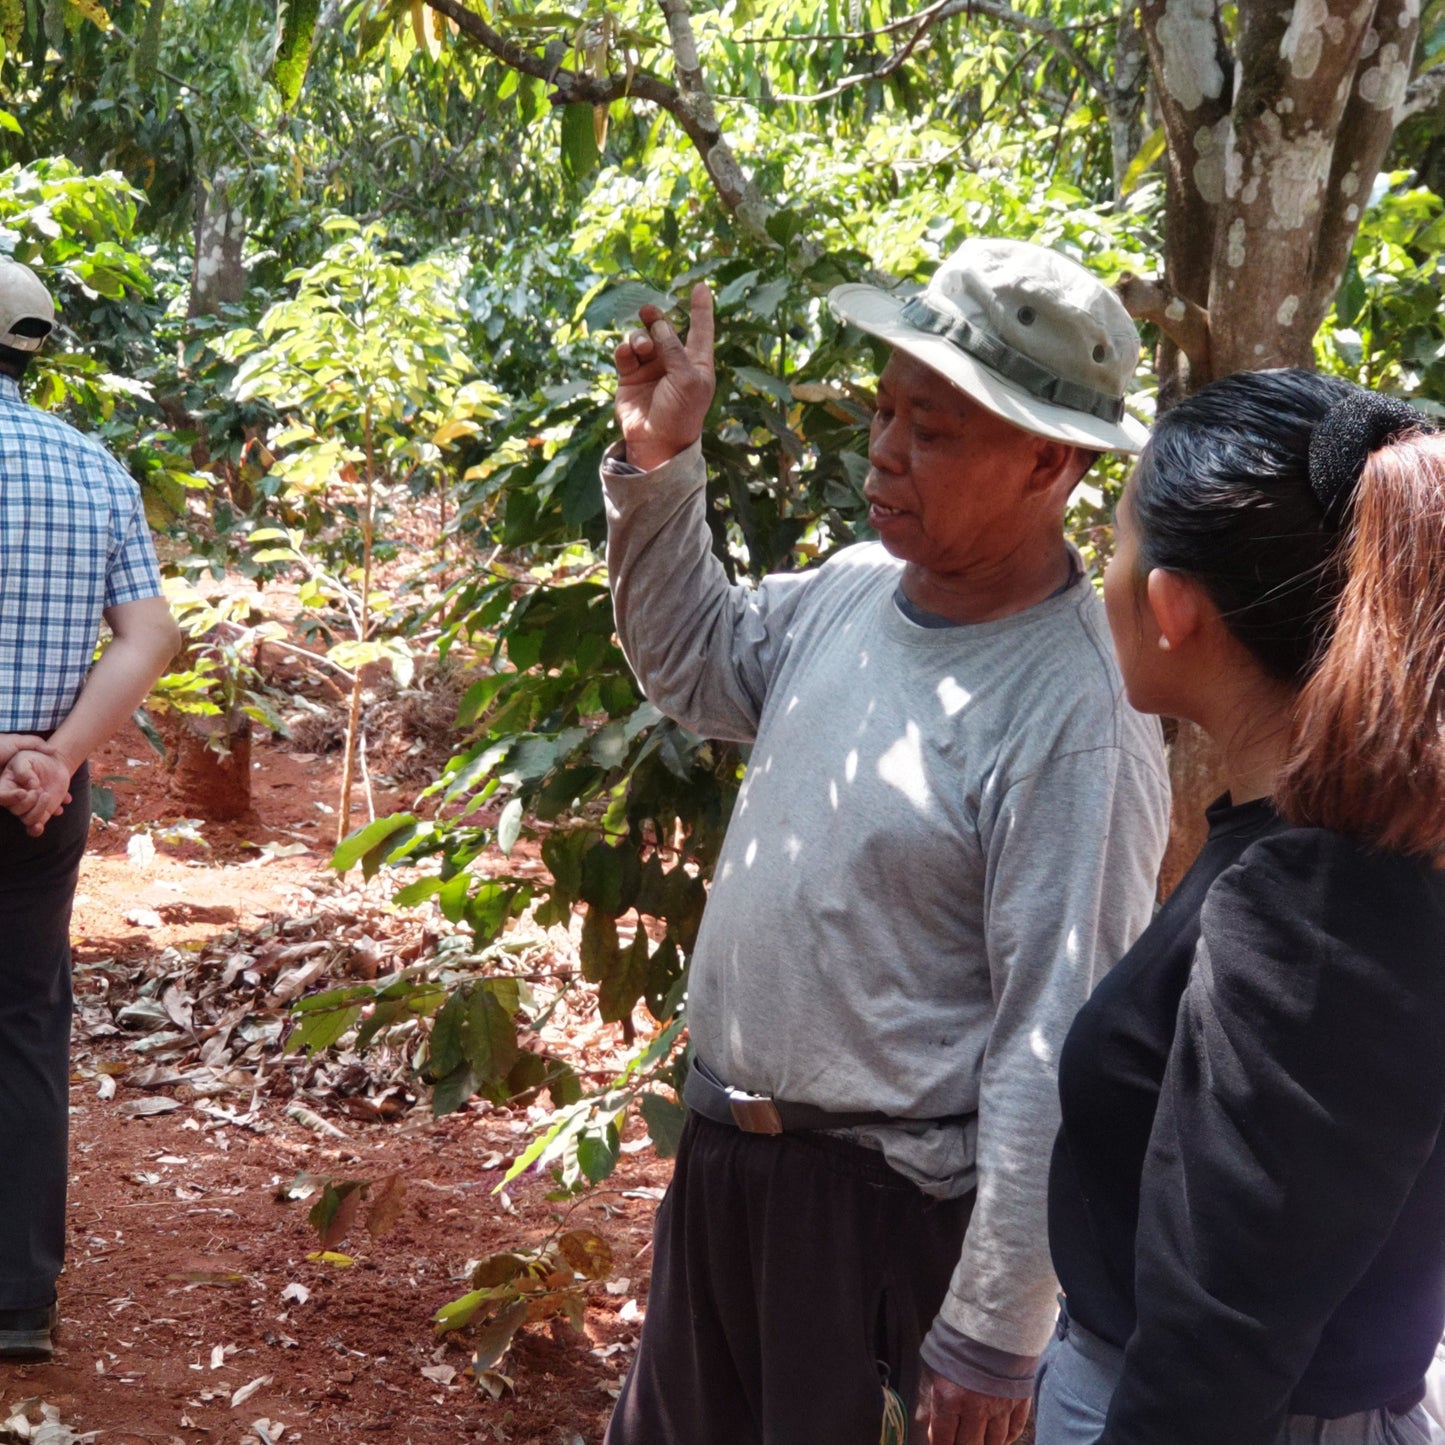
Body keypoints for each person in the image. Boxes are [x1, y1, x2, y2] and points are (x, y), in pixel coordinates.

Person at [598, 236, 1170, 1445]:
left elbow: (1047, 1034)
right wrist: (660, 459)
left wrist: (993, 1324)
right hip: (727, 1172)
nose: (884, 449)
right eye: (885, 408)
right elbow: (697, 660)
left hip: (883, 1220)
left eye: (935, 428)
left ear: (1049, 462)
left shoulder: (1073, 715)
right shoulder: (855, 590)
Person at [1040, 369, 1445, 1444]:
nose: (1102, 578)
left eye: (1115, 547)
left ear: (1174, 606)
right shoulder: (1336, 855)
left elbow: (1219, 1339)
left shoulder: (1316, 908)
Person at [0, 259, 180, 1360]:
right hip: (38, 805)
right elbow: (148, 633)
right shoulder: (91, 465)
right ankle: (17, 1297)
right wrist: (55, 758)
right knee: (22, 1023)